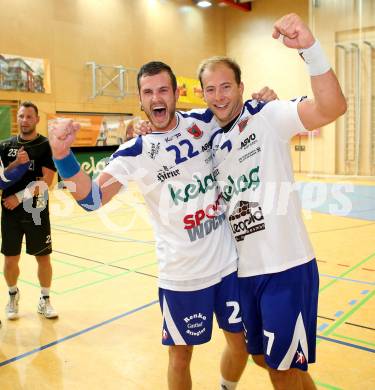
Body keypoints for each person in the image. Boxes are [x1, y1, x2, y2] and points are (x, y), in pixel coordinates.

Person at [48, 63, 277, 389]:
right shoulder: (135, 151)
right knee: (180, 357)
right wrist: (61, 154)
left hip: (229, 265)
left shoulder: (204, 120)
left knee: (240, 345)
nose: (156, 98)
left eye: (163, 90)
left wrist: (266, 101)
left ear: (176, 94)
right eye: (148, 92)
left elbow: (240, 112)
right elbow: (91, 199)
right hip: (182, 276)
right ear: (140, 99)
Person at [194, 14, 346, 390]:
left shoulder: (268, 116)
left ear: (242, 86)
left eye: (226, 86)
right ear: (201, 94)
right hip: (244, 273)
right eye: (210, 89)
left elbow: (332, 107)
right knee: (265, 358)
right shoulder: (210, 140)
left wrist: (309, 48)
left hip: (286, 268)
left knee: (281, 370)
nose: (219, 96)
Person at [0, 101, 58, 320]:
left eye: (29, 117)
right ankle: (13, 295)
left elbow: (48, 181)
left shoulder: (45, 145)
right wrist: (15, 164)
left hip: (37, 210)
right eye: (21, 116)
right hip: (10, 212)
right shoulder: (5, 146)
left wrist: (18, 196)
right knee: (10, 259)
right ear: (18, 118)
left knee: (43, 258)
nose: (24, 120)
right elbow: (1, 177)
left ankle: (45, 299)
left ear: (37, 119)